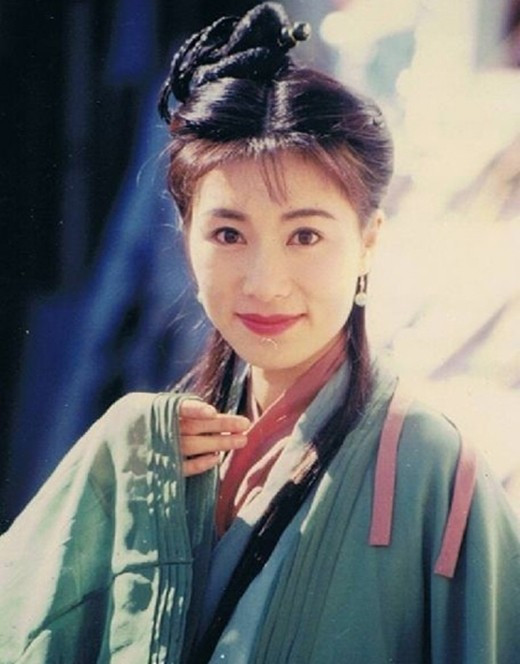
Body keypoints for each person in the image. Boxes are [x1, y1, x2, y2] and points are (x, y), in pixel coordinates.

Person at [1, 3, 519, 663]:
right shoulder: (140, 450)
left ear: (368, 242)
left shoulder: (435, 473)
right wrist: (106, 467)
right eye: (228, 234)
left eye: (305, 235)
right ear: (185, 239)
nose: (264, 283)